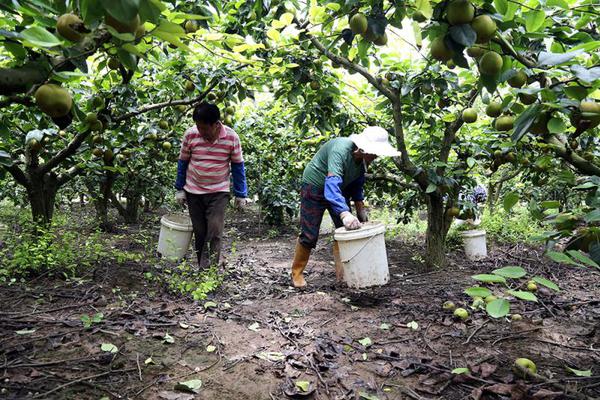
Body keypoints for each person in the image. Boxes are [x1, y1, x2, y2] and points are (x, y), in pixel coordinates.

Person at [291, 126, 401, 288]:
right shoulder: (340, 150)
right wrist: (344, 213)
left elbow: (357, 184)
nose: (376, 156)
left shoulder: (363, 161)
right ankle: (297, 274)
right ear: (363, 148)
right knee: (309, 234)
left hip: (336, 190)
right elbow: (332, 184)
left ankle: (343, 274)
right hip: (314, 186)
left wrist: (360, 208)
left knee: (347, 231)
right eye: (374, 152)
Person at [175, 102, 248, 268]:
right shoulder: (191, 135)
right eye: (198, 127)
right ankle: (203, 267)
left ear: (216, 124)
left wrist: (241, 194)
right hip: (193, 190)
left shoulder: (231, 137)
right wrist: (180, 189)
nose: (200, 131)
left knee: (214, 231)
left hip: (218, 191)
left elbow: (238, 166)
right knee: (199, 232)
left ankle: (212, 270)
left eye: (204, 128)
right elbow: (183, 162)